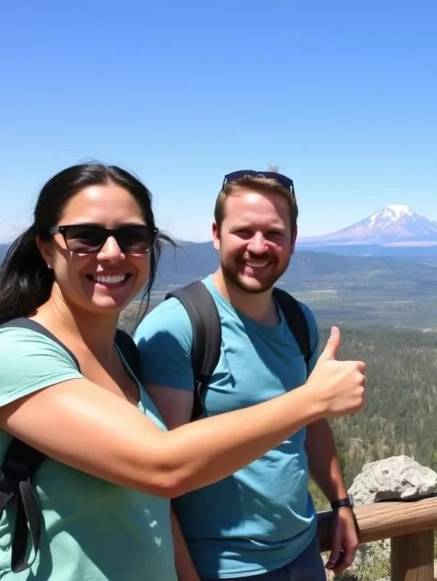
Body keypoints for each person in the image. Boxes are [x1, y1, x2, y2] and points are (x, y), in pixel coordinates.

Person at [0, 163, 367, 581]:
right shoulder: (10, 356)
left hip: (294, 551)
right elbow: (162, 467)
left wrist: (339, 501)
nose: (113, 253)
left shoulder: (120, 356)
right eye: (86, 236)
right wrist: (310, 400)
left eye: (132, 237)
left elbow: (149, 510)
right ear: (46, 247)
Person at [133, 169, 360, 581]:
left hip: (304, 552)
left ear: (293, 238)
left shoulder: (297, 319)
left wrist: (340, 503)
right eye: (244, 232)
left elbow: (312, 424)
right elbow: (154, 478)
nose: (259, 246)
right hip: (219, 567)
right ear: (216, 234)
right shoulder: (179, 327)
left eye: (274, 233)